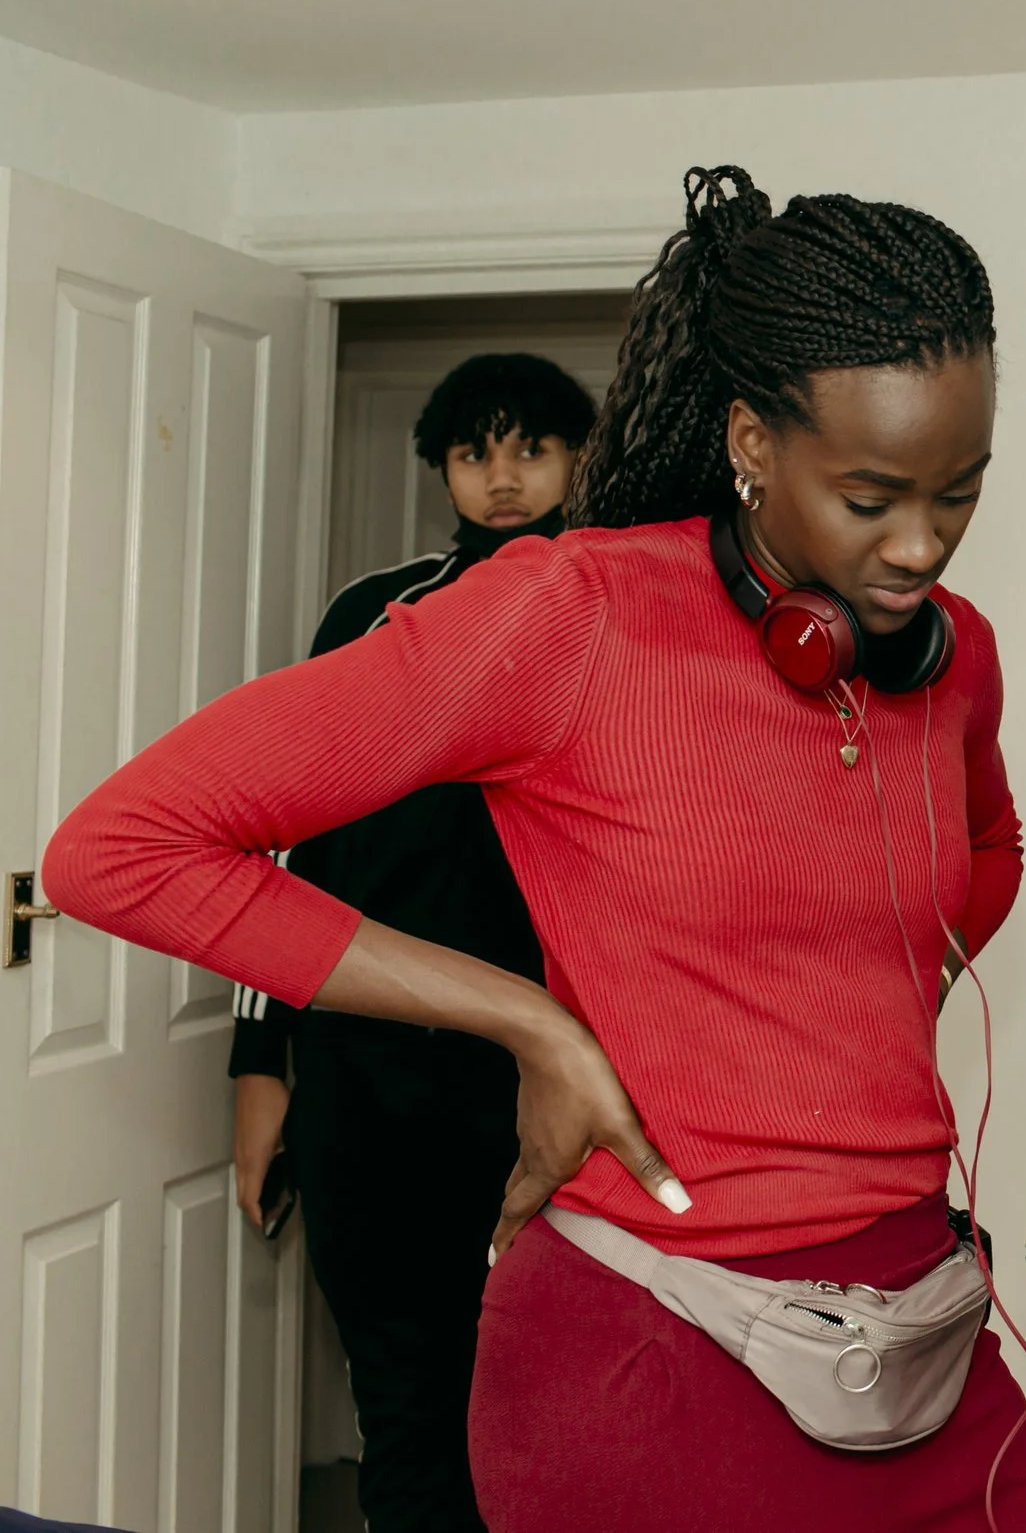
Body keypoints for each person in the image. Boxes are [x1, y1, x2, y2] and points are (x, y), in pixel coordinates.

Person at [41, 166, 1026, 1533]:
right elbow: (122, 848)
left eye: (960, 491)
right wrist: (529, 1018)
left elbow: (989, 844)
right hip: (653, 1349)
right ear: (751, 441)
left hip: (919, 1328)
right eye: (872, 494)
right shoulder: (570, 616)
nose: (921, 545)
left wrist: (850, 1007)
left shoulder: (949, 656)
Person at [227, 352, 592, 1533]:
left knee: (537, 1402)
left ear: (577, 456)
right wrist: (257, 1064)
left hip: (538, 1074)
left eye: (530, 447)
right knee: (402, 1400)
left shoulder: (612, 605)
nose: (502, 476)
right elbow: (283, 836)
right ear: (442, 467)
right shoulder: (373, 612)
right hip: (363, 1072)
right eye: (474, 451)